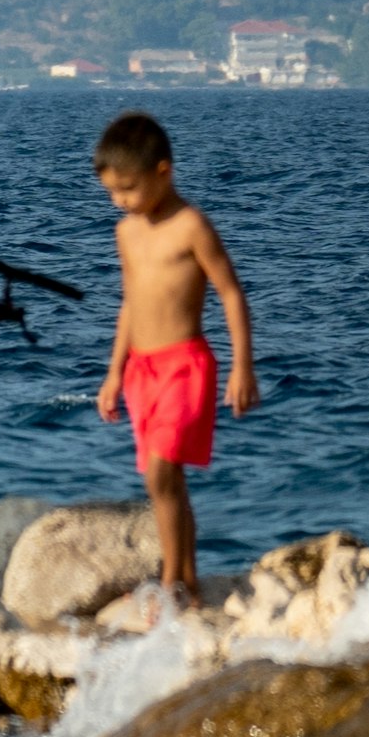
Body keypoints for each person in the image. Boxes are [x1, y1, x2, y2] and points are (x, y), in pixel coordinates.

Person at [89, 112, 259, 604]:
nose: (120, 201)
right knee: (167, 481)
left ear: (163, 171)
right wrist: (113, 373)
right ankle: (185, 578)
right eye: (112, 192)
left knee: (161, 471)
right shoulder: (127, 233)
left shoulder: (191, 227)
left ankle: (170, 582)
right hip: (141, 369)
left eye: (128, 189)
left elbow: (230, 293)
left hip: (185, 366)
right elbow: (130, 304)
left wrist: (242, 365)